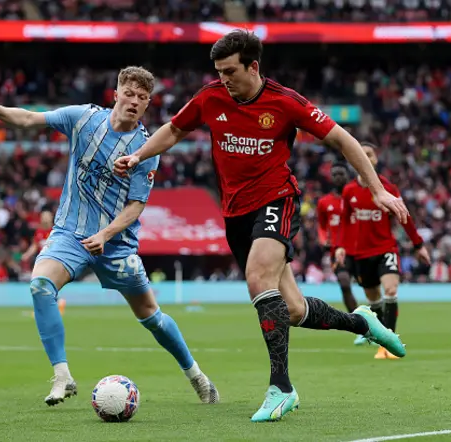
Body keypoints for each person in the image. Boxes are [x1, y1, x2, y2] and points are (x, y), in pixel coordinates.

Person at [114, 31, 408, 422]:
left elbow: (344, 140)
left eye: (230, 71)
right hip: (235, 214)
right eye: (218, 72)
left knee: (257, 278)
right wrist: (137, 155)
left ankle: (281, 387)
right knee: (293, 309)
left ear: (254, 66)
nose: (223, 80)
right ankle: (361, 321)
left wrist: (378, 191)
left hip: (277, 200)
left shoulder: (285, 102)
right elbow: (174, 130)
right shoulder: (209, 98)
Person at [0, 66, 219, 407]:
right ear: (115, 94)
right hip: (71, 234)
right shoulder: (83, 119)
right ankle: (62, 376)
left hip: (117, 244)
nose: (134, 102)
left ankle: (197, 377)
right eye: (129, 94)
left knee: (151, 316)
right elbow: (29, 119)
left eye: (142, 98)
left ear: (147, 105)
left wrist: (106, 234)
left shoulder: (145, 148)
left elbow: (135, 207)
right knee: (41, 286)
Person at [336, 142, 431, 359]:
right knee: (373, 298)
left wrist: (418, 245)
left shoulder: (388, 189)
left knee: (390, 290)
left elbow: (404, 217)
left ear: (375, 159)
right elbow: (344, 222)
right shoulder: (349, 191)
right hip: (361, 254)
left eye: (369, 154)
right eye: (361, 154)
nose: (365, 158)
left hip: (385, 248)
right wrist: (341, 247)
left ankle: (389, 344)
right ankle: (381, 337)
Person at [316, 162, 366, 345]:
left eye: (341, 174)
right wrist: (323, 239)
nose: (337, 177)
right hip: (338, 250)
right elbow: (322, 225)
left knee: (370, 286)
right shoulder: (324, 202)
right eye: (334, 174)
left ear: (347, 175)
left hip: (360, 248)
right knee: (344, 283)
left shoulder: (355, 196)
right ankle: (359, 326)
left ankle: (378, 322)